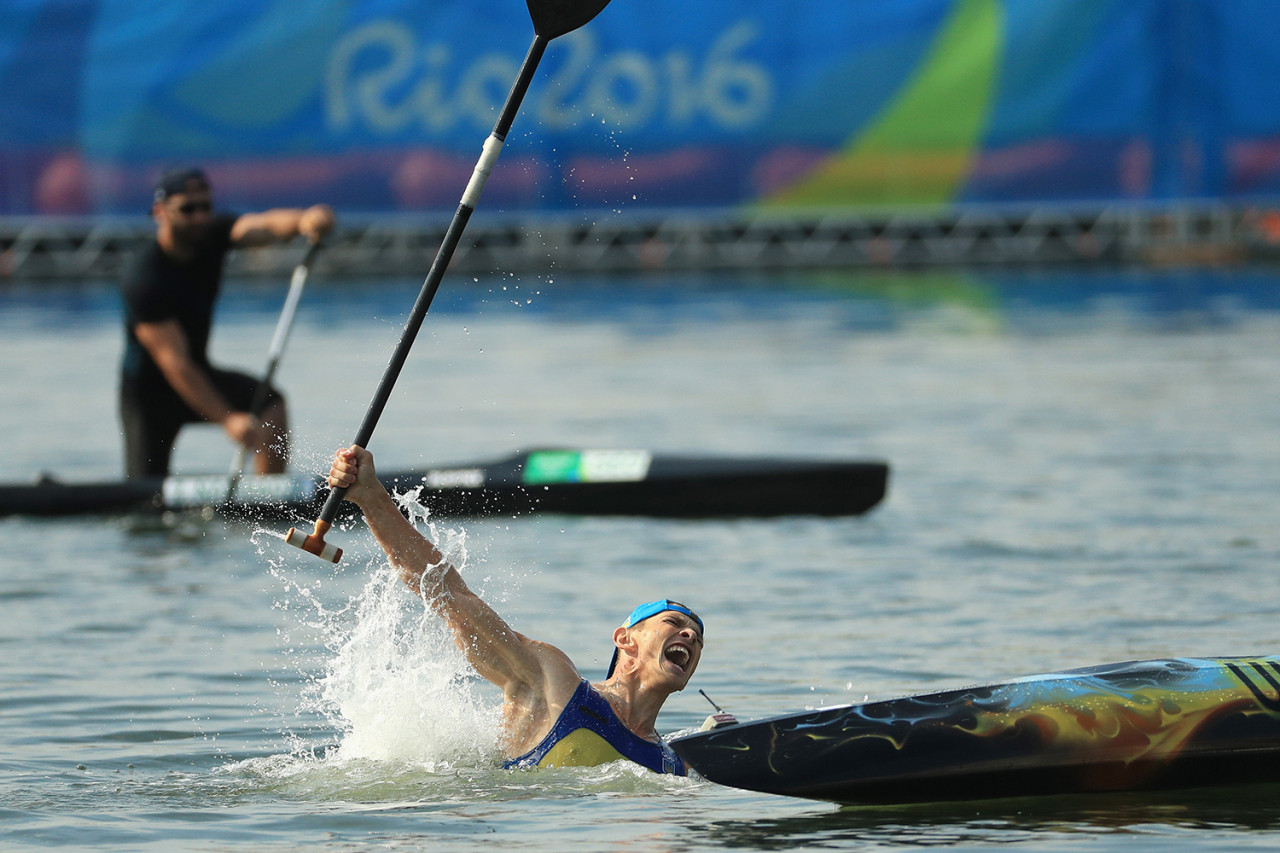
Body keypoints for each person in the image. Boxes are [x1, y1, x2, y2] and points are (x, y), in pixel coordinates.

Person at [327, 444, 716, 774]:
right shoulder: (556, 683)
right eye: (674, 622)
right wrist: (372, 498)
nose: (690, 636)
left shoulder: (673, 763)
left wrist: (720, 749)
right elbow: (453, 598)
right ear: (625, 639)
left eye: (697, 638)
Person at [119, 166, 335, 478]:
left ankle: (266, 502)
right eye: (187, 209)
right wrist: (228, 419)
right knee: (145, 500)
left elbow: (263, 226)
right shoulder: (144, 277)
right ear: (159, 212)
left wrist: (305, 221)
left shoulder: (212, 236)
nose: (199, 217)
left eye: (205, 207)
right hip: (149, 396)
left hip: (199, 373)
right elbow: (174, 363)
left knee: (271, 404)